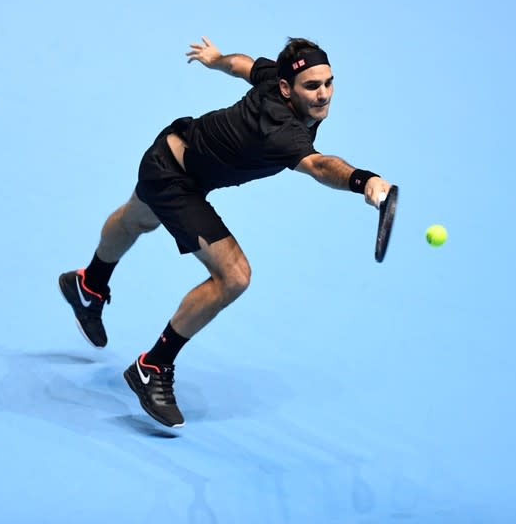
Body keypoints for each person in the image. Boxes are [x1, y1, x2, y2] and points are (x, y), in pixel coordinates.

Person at [59, 36, 393, 428]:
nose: (323, 95)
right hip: (174, 178)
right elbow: (320, 166)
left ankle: (89, 285)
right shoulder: (281, 127)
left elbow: (245, 65)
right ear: (287, 89)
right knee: (233, 276)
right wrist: (363, 181)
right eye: (312, 87)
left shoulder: (276, 79)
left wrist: (216, 59)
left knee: (137, 218)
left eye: (328, 83)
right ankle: (153, 365)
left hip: (168, 153)